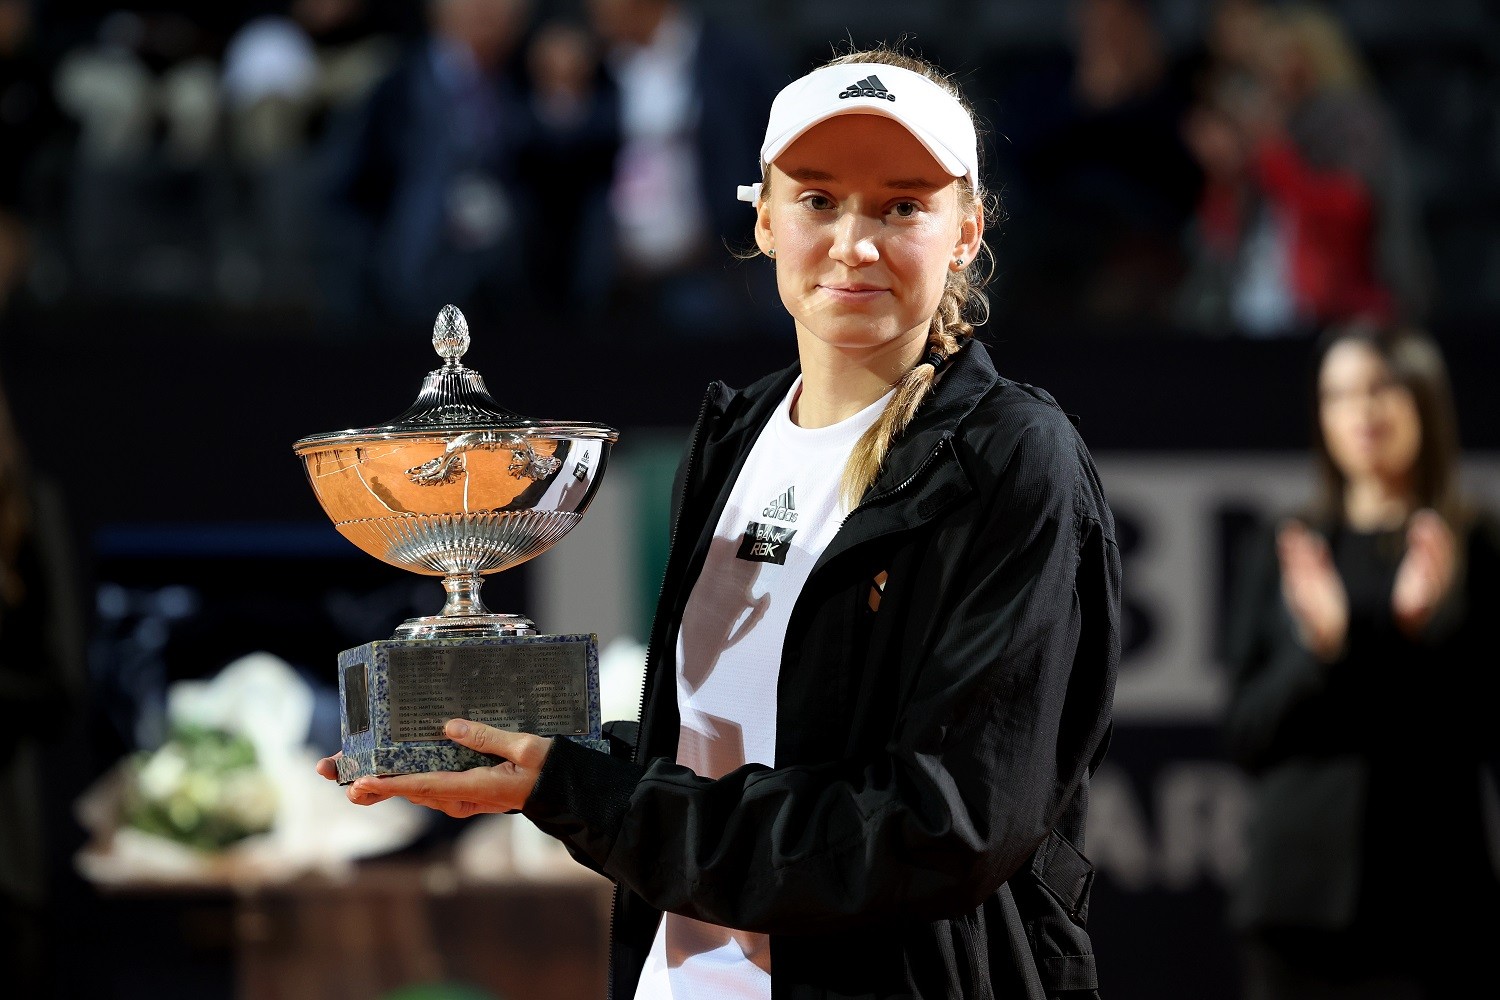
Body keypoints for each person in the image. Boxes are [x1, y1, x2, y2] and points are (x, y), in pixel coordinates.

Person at [320, 44, 1122, 1000]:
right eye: (818, 199)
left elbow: (939, 827)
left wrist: (588, 795)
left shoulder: (1013, 457)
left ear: (966, 231)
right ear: (765, 219)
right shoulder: (737, 435)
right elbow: (716, 759)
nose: (855, 243)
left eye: (903, 206)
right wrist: (539, 759)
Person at [1222, 320, 1500, 998]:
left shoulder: (1473, 543)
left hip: (1434, 906)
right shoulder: (1291, 545)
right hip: (1295, 906)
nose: (1361, 411)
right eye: (1339, 395)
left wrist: (1418, 632)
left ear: (1423, 399)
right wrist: (1320, 651)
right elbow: (1247, 733)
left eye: (1380, 388)